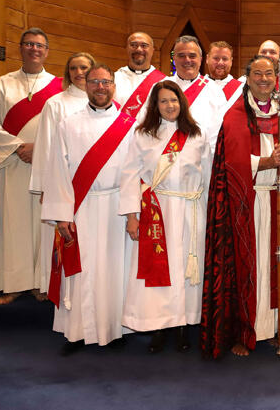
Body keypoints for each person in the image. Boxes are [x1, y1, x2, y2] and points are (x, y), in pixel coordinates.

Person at [200, 55, 280, 359]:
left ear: (277, 78)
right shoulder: (235, 115)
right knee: (252, 266)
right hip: (248, 204)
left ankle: (279, 328)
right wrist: (266, 162)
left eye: (270, 74)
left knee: (279, 265)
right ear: (247, 78)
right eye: (257, 74)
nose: (264, 79)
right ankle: (249, 329)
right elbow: (228, 164)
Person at [41, 64, 135, 354]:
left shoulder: (129, 124)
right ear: (86, 85)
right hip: (80, 208)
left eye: (106, 82)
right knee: (79, 272)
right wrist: (61, 216)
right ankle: (76, 333)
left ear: (113, 87)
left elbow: (135, 171)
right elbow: (57, 170)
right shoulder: (68, 123)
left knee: (114, 271)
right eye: (94, 82)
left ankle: (114, 330)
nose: (100, 87)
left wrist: (133, 211)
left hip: (117, 209)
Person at [119, 81, 211, 354]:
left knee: (186, 269)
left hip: (191, 210)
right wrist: (131, 216)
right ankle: (159, 326)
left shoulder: (196, 134)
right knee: (161, 269)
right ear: (155, 105)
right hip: (157, 211)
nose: (170, 105)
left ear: (182, 102)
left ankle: (183, 325)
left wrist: (208, 214)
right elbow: (130, 175)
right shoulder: (144, 135)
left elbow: (206, 174)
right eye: (163, 101)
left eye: (174, 100)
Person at [0, 27, 62, 304]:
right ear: (21, 48)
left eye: (39, 45)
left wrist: (39, 149)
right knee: (15, 224)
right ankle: (13, 283)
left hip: (46, 166)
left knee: (43, 225)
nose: (34, 49)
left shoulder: (59, 86)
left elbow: (67, 127)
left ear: (47, 51)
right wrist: (18, 147)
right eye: (28, 44)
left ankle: (41, 283)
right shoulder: (1, 85)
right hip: (13, 166)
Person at [29, 52, 94, 295]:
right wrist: (46, 186)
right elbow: (45, 146)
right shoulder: (56, 103)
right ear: (68, 73)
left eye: (84, 68)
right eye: (74, 68)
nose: (79, 73)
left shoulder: (104, 101)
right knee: (59, 236)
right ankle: (53, 287)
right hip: (63, 181)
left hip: (92, 183)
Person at [160, 36, 225, 154]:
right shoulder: (161, 87)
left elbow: (219, 131)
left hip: (202, 158)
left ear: (201, 59)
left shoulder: (215, 90)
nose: (187, 60)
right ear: (174, 58)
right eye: (181, 56)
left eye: (192, 56)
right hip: (166, 156)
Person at [114, 32, 166, 118]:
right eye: (133, 45)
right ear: (127, 48)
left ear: (152, 50)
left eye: (144, 45)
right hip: (120, 131)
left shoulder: (163, 81)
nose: (138, 49)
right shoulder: (114, 78)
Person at [204, 41, 243, 111]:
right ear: (207, 59)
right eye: (216, 58)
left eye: (225, 59)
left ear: (231, 61)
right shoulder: (199, 86)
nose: (220, 63)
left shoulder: (241, 89)